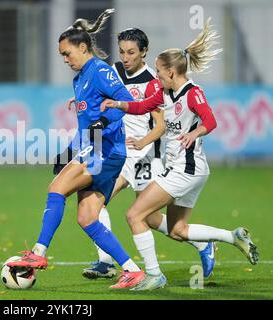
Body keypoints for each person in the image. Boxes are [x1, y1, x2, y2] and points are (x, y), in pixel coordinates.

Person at [101, 18, 259, 290]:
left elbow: (210, 121)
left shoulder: (193, 94)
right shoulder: (165, 94)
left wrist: (194, 133)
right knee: (176, 229)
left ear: (172, 72)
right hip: (182, 170)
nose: (157, 79)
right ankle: (233, 237)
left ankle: (153, 275)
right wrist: (117, 103)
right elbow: (142, 106)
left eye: (160, 74)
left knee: (134, 215)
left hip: (185, 170)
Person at [7, 8, 146, 289]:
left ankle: (38, 254)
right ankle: (132, 271)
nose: (65, 59)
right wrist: (68, 153)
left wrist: (104, 120)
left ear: (83, 47)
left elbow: (126, 102)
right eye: (61, 55)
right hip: (99, 150)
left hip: (104, 150)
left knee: (56, 190)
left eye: (67, 53)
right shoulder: (80, 79)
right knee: (86, 218)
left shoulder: (99, 71)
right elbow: (86, 127)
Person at [82, 28, 216, 280]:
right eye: (122, 51)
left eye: (131, 52)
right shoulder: (114, 72)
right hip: (121, 152)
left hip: (145, 157)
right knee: (95, 199)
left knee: (146, 217)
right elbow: (98, 93)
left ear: (144, 52)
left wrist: (143, 141)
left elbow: (161, 125)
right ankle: (106, 261)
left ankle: (198, 245)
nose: (125, 57)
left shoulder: (155, 81)